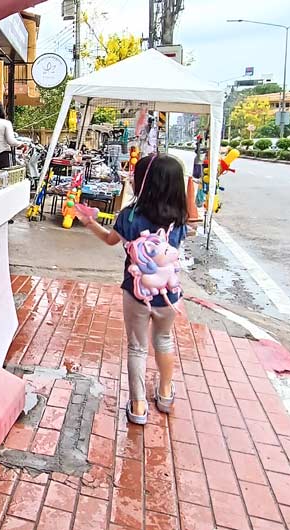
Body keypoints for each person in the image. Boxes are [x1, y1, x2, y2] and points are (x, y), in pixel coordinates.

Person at [78, 154, 187, 425]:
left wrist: (90, 223)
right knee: (164, 340)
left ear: (142, 182)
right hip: (168, 295)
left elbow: (109, 240)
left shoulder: (130, 216)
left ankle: (138, 406)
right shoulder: (179, 219)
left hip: (136, 292)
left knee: (137, 348)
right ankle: (164, 394)